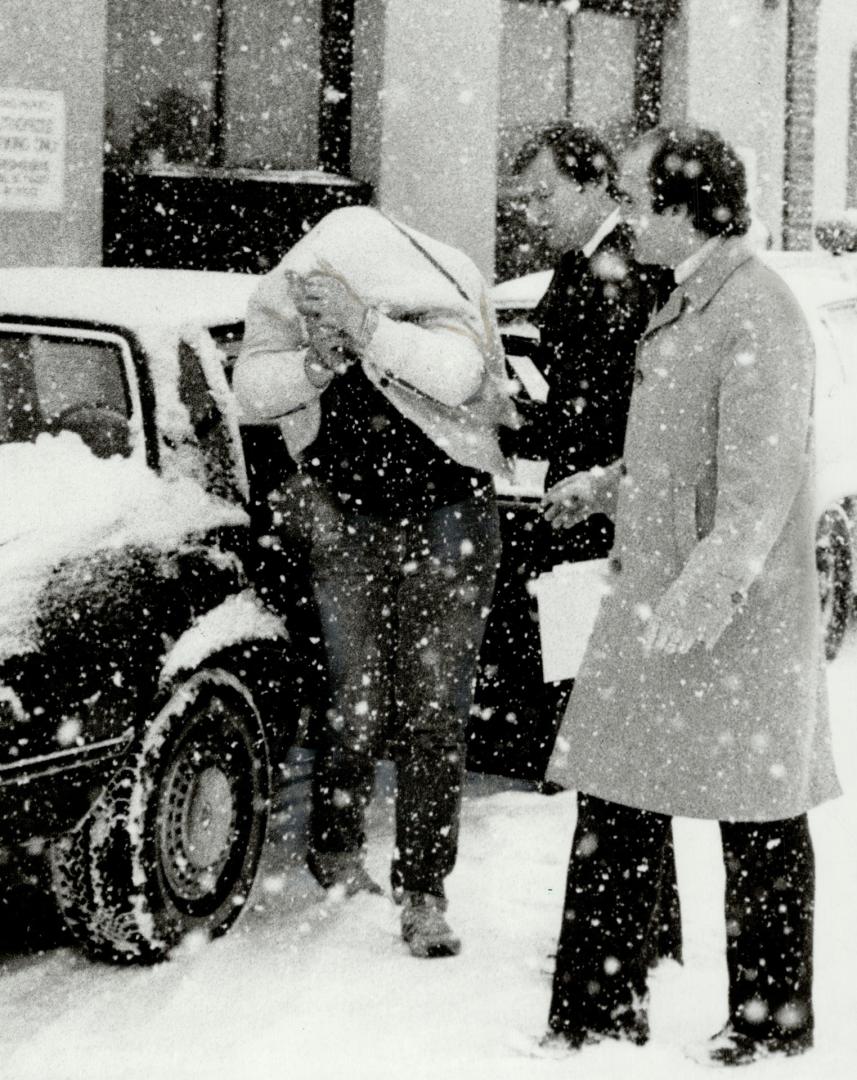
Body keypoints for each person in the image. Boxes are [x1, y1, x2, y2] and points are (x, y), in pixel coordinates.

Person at [542, 126, 841, 1065]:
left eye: (634, 200)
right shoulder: (689, 303)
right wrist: (607, 482)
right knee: (616, 802)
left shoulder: (757, 314)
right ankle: (597, 1011)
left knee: (757, 820)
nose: (624, 218)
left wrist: (696, 603)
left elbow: (754, 497)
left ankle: (768, 1025)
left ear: (682, 207)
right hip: (660, 605)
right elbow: (682, 459)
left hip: (730, 622)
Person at [233, 205, 518, 959]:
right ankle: (335, 847)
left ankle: (424, 891)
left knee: (434, 709)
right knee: (350, 695)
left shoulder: (442, 283)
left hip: (451, 516)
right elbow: (250, 393)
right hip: (344, 519)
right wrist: (315, 364)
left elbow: (458, 374)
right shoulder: (288, 301)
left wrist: (369, 329)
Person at [511, 122, 671, 778]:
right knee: (583, 714)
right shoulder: (580, 266)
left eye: (545, 195)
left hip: (609, 523)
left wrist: (515, 420)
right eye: (526, 198)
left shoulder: (631, 274)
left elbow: (607, 414)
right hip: (583, 512)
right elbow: (568, 405)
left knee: (601, 725)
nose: (532, 213)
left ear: (595, 188)